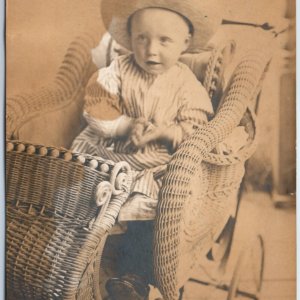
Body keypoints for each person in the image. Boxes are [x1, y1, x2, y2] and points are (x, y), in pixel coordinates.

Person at [71, 0, 224, 299]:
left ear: (185, 43)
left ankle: (134, 276)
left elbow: (196, 128)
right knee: (79, 190)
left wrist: (167, 131)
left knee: (151, 208)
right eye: (142, 38)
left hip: (152, 163)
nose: (151, 49)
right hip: (107, 154)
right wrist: (125, 125)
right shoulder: (117, 70)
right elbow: (96, 107)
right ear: (129, 37)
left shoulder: (185, 83)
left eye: (164, 40)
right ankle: (72, 258)